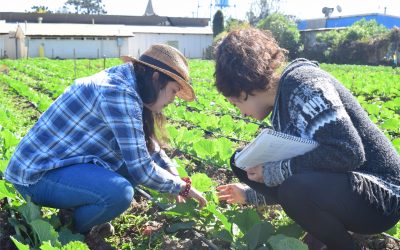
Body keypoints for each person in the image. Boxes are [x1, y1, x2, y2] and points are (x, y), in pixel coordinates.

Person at [214, 28, 400, 250]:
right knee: (242, 163)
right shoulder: (281, 104)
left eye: (236, 103)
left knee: (295, 187)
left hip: (383, 195)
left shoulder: (304, 86)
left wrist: (275, 171)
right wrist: (250, 195)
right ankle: (322, 235)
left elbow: (348, 152)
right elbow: (307, 175)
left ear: (245, 87)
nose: (242, 113)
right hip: (348, 189)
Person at [5, 44, 207, 236]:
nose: (173, 99)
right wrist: (182, 188)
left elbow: (148, 148)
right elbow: (142, 169)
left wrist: (174, 176)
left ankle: (76, 210)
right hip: (36, 176)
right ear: (156, 79)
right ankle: (70, 229)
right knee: (119, 193)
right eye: (173, 90)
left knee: (128, 172)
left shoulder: (131, 84)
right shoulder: (118, 92)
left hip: (62, 164)